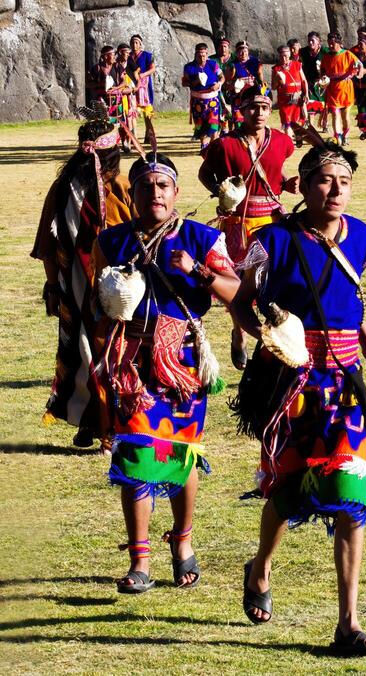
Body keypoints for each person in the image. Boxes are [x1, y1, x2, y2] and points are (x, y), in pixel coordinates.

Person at [231, 141, 366, 654]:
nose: (336, 189)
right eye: (324, 179)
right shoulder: (271, 241)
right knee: (290, 486)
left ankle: (348, 622)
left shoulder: (362, 236)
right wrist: (267, 339)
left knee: (350, 492)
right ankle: (261, 567)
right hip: (291, 383)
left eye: (344, 180)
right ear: (301, 185)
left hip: (344, 383)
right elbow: (243, 300)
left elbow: (351, 293)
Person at [94, 153, 239, 593]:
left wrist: (195, 270)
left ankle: (182, 544)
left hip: (182, 362)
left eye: (163, 186)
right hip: (132, 364)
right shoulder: (111, 241)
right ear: (132, 193)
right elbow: (97, 305)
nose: (154, 193)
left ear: (176, 193)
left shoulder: (202, 238)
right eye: (145, 186)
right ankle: (140, 559)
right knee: (137, 450)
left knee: (179, 452)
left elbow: (235, 292)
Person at [31, 119, 133, 451]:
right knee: (101, 355)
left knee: (92, 354)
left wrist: (54, 286)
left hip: (100, 289)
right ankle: (103, 427)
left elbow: (47, 247)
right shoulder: (73, 190)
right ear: (114, 152)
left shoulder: (69, 186)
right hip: (94, 289)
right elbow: (50, 242)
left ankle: (95, 422)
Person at [198, 82, 298, 368]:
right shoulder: (225, 145)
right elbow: (205, 173)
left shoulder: (281, 141)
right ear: (241, 110)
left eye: (265, 107)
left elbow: (275, 173)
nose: (259, 112)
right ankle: (239, 331)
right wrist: (223, 191)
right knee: (239, 283)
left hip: (272, 220)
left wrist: (288, 184)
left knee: (273, 279)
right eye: (253, 107)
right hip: (238, 223)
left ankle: (275, 334)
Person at [320, 32, 362, 146]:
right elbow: (322, 70)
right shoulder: (326, 56)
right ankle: (337, 136)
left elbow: (359, 64)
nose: (330, 46)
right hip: (332, 89)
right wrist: (323, 77)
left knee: (345, 116)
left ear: (339, 43)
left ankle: (346, 135)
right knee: (334, 113)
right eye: (329, 43)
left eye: (333, 43)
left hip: (346, 89)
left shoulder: (347, 54)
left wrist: (358, 74)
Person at [182, 43, 223, 151]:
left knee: (213, 125)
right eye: (199, 55)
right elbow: (185, 83)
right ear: (195, 55)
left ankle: (210, 145)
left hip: (212, 100)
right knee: (200, 126)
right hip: (198, 101)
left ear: (207, 54)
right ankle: (205, 147)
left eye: (204, 55)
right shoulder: (189, 67)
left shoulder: (213, 64)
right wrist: (195, 81)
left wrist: (218, 85)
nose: (202, 58)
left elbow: (222, 77)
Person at [271, 44, 308, 141]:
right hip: (285, 100)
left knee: (297, 121)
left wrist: (306, 94)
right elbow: (273, 87)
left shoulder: (297, 64)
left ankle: (298, 137)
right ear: (279, 55)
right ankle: (289, 143)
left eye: (286, 56)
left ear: (290, 54)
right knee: (287, 122)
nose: (284, 58)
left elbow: (303, 81)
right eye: (282, 56)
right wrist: (277, 77)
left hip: (297, 97)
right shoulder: (276, 69)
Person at [225, 41, 264, 128]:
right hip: (238, 94)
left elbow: (260, 75)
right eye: (240, 51)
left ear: (248, 51)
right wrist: (234, 85)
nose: (243, 53)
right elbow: (226, 83)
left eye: (245, 51)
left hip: (252, 92)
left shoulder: (254, 61)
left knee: (252, 114)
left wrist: (261, 84)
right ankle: (239, 136)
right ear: (236, 53)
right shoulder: (232, 64)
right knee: (238, 117)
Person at [127, 34, 156, 141]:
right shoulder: (128, 57)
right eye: (132, 43)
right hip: (132, 86)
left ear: (140, 44)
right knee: (132, 109)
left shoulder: (147, 55)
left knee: (147, 110)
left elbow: (153, 69)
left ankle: (149, 133)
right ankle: (134, 135)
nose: (134, 45)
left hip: (145, 86)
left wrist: (142, 75)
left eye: (136, 43)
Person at [109, 43, 137, 153]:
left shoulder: (131, 64)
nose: (128, 54)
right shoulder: (115, 66)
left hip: (129, 97)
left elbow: (136, 79)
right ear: (120, 52)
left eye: (129, 53)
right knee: (120, 121)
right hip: (119, 97)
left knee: (129, 120)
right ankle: (122, 142)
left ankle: (129, 143)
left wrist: (134, 88)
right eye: (126, 52)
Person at [300, 31, 327, 131]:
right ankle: (311, 127)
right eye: (309, 41)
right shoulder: (303, 52)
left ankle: (325, 124)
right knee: (310, 104)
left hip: (323, 82)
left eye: (312, 41)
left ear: (318, 42)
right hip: (309, 81)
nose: (310, 43)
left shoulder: (325, 51)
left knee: (325, 105)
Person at [211, 35, 234, 135]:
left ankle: (233, 135)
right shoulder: (212, 60)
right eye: (221, 46)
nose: (223, 49)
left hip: (233, 91)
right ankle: (224, 136)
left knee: (233, 117)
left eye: (225, 46)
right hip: (218, 92)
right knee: (222, 116)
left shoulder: (235, 59)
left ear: (228, 47)